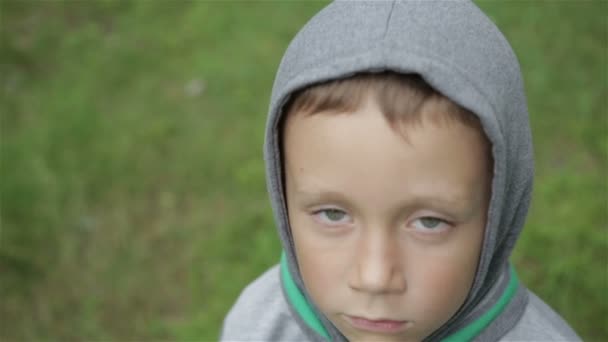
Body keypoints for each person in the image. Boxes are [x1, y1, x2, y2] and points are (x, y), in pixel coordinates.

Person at [221, 1, 581, 341]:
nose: (375, 277)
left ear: (499, 212)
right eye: (332, 214)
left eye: (429, 222)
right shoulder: (257, 325)